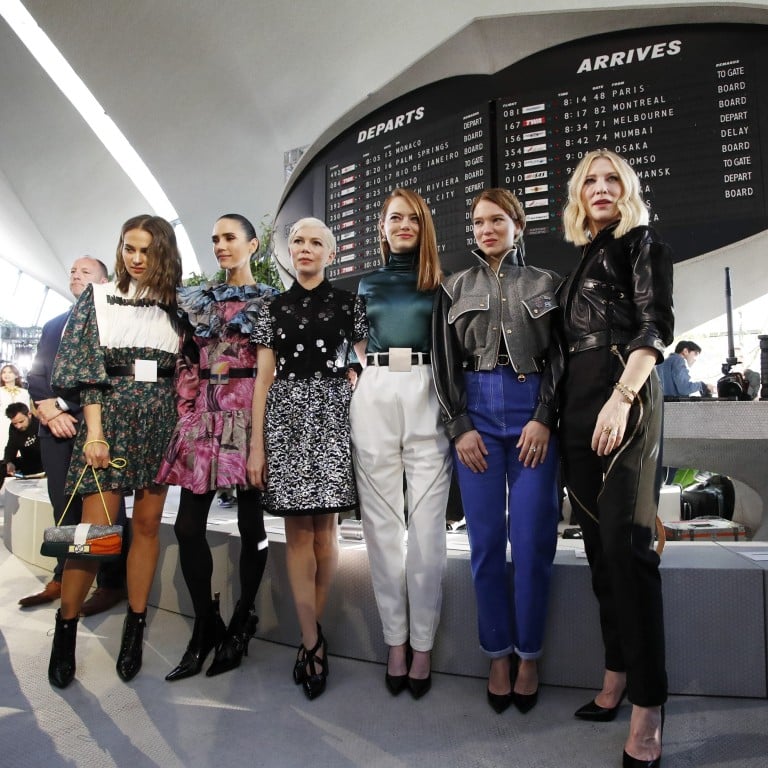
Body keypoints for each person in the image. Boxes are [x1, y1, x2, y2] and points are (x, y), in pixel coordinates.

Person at [559, 149, 673, 768]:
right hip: (577, 404)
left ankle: (650, 709)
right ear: (578, 195)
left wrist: (621, 398)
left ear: (627, 190)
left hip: (622, 396)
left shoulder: (641, 241)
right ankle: (616, 673)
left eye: (612, 179)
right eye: (590, 181)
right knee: (600, 555)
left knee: (629, 555)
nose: (600, 188)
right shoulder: (581, 259)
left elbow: (654, 327)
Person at [432, 188, 563, 715]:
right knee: (486, 543)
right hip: (477, 418)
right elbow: (443, 365)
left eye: (497, 220)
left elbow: (560, 358)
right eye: (479, 222)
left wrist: (544, 417)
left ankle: (529, 653)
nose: (486, 229)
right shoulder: (452, 285)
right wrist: (460, 426)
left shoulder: (548, 284)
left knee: (532, 541)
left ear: (518, 224)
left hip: (532, 411)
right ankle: (498, 654)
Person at [46, 214, 183, 689]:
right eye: (129, 248)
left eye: (146, 250)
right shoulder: (98, 298)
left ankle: (134, 628)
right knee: (94, 531)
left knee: (146, 529)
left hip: (160, 421)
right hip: (109, 422)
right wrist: (95, 434)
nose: (136, 258)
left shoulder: (177, 307)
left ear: (162, 252)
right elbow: (88, 374)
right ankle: (64, 631)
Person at [249, 217, 367, 700]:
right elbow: (262, 380)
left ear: (331, 253)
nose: (305, 248)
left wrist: (348, 386)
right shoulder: (272, 308)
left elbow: (357, 366)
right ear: (288, 250)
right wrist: (256, 446)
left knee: (327, 532)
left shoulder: (350, 304)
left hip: (335, 419)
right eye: (298, 240)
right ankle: (312, 640)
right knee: (299, 532)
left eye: (316, 241)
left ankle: (311, 637)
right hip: (286, 420)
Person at [156, 213, 278, 681]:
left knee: (252, 523)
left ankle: (243, 618)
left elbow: (273, 370)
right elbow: (188, 361)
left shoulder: (270, 302)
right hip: (203, 418)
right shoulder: (198, 301)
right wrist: (187, 413)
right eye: (215, 239)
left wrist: (262, 437)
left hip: (250, 417)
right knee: (188, 526)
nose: (221, 245)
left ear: (252, 245)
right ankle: (206, 624)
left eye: (230, 238)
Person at [350, 188, 451, 699]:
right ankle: (396, 641)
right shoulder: (365, 282)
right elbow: (359, 344)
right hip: (375, 391)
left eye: (413, 217)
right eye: (395, 218)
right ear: (382, 227)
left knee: (428, 525)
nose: (404, 225)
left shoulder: (442, 283)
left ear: (424, 224)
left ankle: (424, 642)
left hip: (428, 390)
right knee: (381, 523)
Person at [20, 256, 129, 614]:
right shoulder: (53, 324)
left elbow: (112, 376)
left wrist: (61, 407)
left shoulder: (116, 321)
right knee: (61, 505)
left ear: (104, 280)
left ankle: (111, 582)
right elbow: (36, 375)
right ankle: (63, 576)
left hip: (95, 427)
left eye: (86, 271)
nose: (76, 275)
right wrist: (47, 410)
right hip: (55, 430)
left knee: (103, 509)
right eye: (72, 271)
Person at [3, 403, 43, 477]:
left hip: (44, 463)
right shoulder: (13, 428)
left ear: (29, 414)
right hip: (27, 464)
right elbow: (11, 446)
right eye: (15, 423)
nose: (18, 426)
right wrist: (9, 462)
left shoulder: (40, 423)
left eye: (21, 421)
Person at [0, 363, 30, 450]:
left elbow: (27, 410)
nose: (6, 375)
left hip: (21, 425)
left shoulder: (24, 392)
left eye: (10, 372)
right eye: (4, 372)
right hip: (3, 424)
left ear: (16, 375)